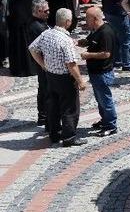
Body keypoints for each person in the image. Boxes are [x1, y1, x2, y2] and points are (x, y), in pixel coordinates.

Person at [28, 8, 87, 147]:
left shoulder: (46, 34)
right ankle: (69, 137)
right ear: (67, 22)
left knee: (53, 105)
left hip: (51, 76)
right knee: (70, 108)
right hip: (65, 78)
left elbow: (32, 48)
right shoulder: (65, 40)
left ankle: (54, 134)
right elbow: (71, 64)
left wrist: (43, 65)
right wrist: (80, 81)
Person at [79, 7, 118, 136]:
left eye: (87, 18)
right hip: (95, 72)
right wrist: (83, 42)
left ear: (95, 19)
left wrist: (88, 55)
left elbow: (106, 54)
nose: (86, 21)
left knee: (105, 100)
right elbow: (92, 41)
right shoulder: (96, 30)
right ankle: (105, 120)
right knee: (99, 99)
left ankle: (111, 125)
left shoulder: (105, 32)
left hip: (103, 72)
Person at [8, 0, 42, 76]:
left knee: (17, 46)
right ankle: (30, 68)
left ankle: (18, 69)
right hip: (28, 22)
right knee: (28, 45)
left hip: (15, 22)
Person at [27, 0, 50, 125]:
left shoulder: (41, 23)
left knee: (44, 87)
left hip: (44, 62)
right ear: (39, 11)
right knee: (45, 88)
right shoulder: (36, 27)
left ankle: (43, 115)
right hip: (43, 62)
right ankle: (44, 115)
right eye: (46, 11)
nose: (48, 13)